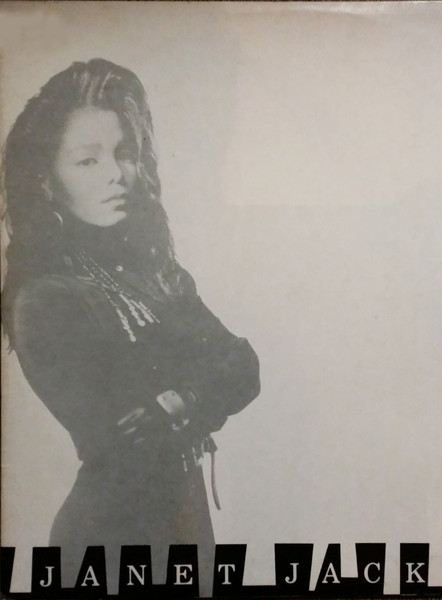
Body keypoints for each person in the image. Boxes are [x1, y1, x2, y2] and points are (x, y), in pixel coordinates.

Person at [1, 58, 260, 594]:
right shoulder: (45, 299)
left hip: (185, 528)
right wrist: (198, 389)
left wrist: (177, 399)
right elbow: (124, 437)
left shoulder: (155, 274)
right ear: (47, 180)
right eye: (87, 160)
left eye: (125, 153)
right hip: (111, 542)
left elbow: (244, 366)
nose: (116, 174)